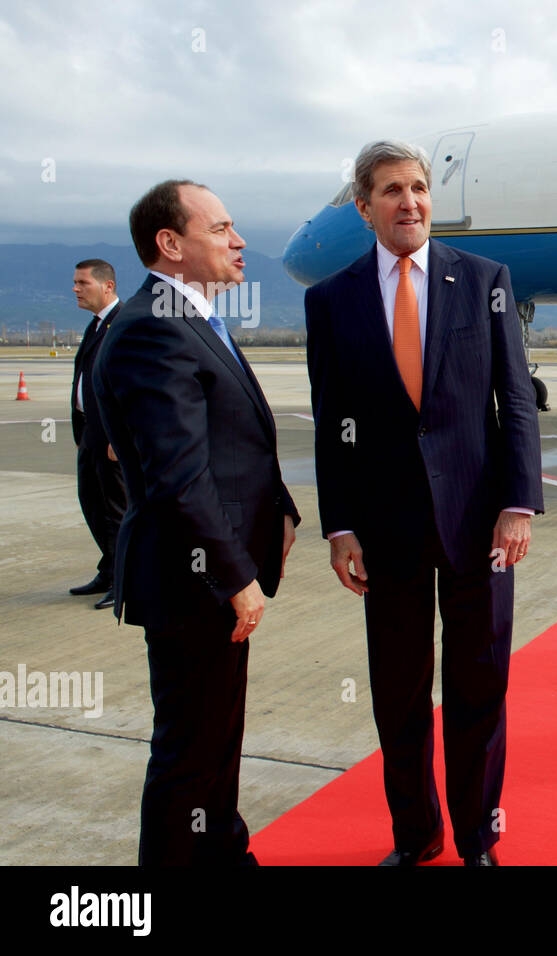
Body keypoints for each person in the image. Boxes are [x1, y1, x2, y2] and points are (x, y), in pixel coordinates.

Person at [305, 140, 543, 866]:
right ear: (364, 206)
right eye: (390, 191)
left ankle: (476, 839)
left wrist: (519, 504)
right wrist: (340, 525)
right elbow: (332, 422)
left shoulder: (484, 280)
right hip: (385, 528)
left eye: (418, 188)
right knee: (400, 698)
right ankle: (417, 837)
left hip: (479, 523)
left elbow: (517, 402)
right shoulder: (331, 298)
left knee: (479, 689)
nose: (409, 202)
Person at [93, 180, 300, 865]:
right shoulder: (154, 326)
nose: (239, 241)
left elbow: (229, 442)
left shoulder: (190, 316)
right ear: (171, 244)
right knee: (190, 751)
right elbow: (178, 477)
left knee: (214, 740)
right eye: (223, 228)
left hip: (209, 573)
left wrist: (282, 511)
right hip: (193, 580)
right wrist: (235, 574)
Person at [69, 258, 125, 610]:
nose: (75, 289)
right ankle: (108, 570)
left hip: (112, 438)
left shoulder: (122, 325)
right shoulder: (96, 325)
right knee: (92, 502)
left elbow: (134, 386)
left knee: (117, 509)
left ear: (107, 286)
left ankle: (124, 581)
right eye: (75, 283)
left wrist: (122, 438)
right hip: (91, 432)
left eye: (82, 283)